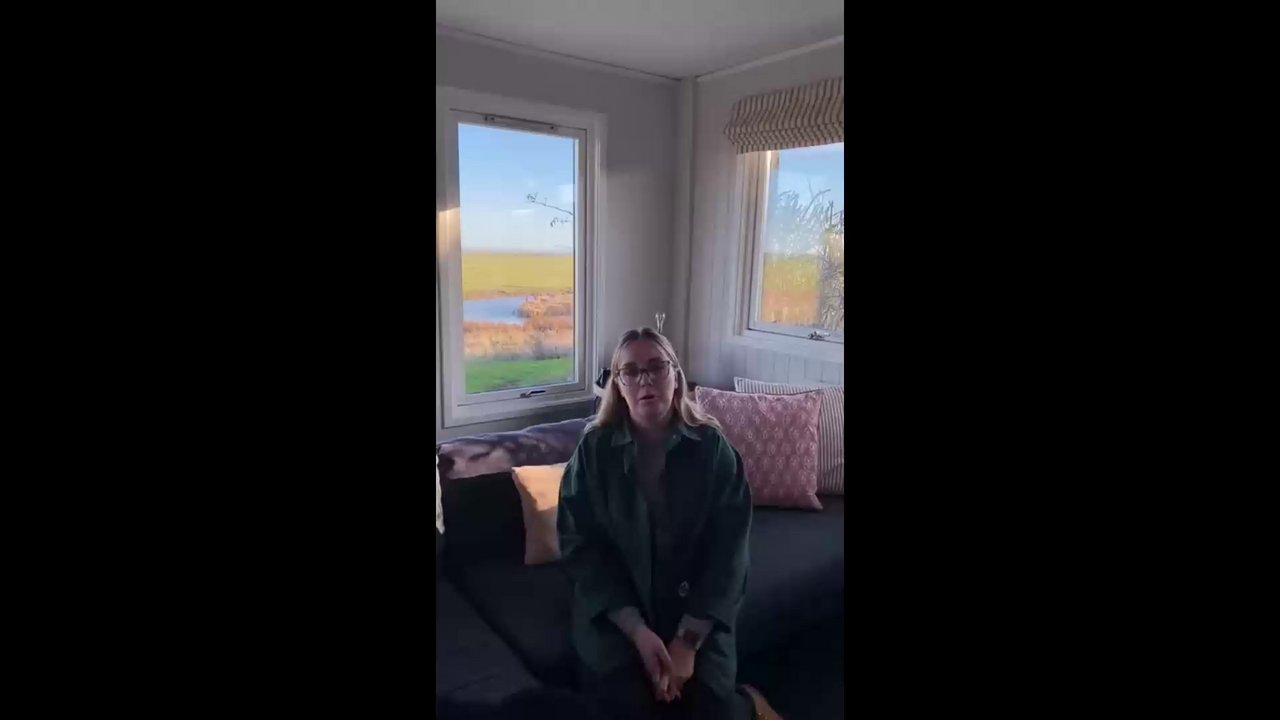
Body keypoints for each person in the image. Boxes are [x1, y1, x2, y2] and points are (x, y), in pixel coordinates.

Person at [557, 328, 782, 720]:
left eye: (657, 367)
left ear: (676, 377)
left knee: (711, 708)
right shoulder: (593, 452)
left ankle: (750, 704)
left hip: (697, 615)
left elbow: (728, 557)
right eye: (631, 371)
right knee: (626, 706)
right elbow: (582, 550)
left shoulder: (713, 450)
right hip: (617, 618)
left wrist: (687, 641)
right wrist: (638, 632)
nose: (645, 379)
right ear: (618, 386)